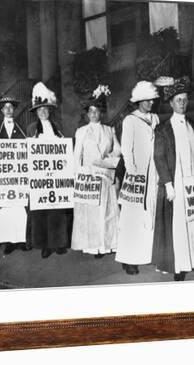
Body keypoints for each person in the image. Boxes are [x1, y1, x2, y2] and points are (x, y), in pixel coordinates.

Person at [152, 76, 194, 281]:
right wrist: (168, 184)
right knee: (180, 226)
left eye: (184, 99)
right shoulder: (163, 129)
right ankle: (181, 266)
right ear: (171, 103)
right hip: (178, 184)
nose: (182, 103)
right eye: (178, 100)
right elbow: (159, 157)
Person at [115, 81, 160, 275]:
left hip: (154, 174)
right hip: (136, 175)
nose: (150, 103)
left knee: (149, 214)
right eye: (146, 100)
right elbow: (126, 149)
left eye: (152, 100)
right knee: (132, 217)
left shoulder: (155, 118)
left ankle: (145, 255)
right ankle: (128, 259)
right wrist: (133, 171)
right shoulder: (130, 120)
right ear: (138, 100)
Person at [72, 85, 121, 257]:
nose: (93, 114)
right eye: (90, 111)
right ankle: (93, 246)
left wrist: (108, 159)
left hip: (106, 177)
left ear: (102, 113)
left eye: (97, 111)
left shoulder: (109, 130)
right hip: (89, 178)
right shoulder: (81, 132)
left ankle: (106, 244)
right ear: (87, 114)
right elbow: (76, 156)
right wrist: (79, 175)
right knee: (91, 214)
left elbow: (118, 150)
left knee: (106, 212)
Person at [26, 82, 70, 259]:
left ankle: (58, 243)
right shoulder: (31, 130)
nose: (43, 112)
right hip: (39, 177)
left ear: (49, 110)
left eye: (45, 109)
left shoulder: (58, 128)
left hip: (56, 176)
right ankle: (44, 244)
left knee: (57, 211)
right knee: (40, 212)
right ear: (36, 112)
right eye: (39, 109)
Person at [0, 95, 28, 255]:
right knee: (6, 207)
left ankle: (21, 239)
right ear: (1, 110)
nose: (8, 110)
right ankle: (9, 241)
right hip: (3, 175)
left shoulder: (21, 129)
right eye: (5, 107)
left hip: (18, 174)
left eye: (11, 107)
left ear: (14, 110)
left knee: (19, 206)